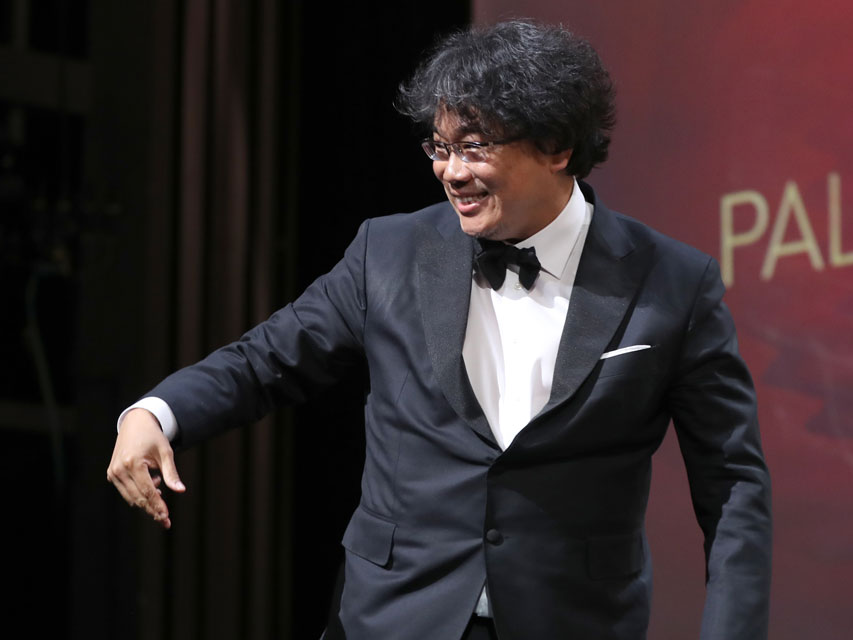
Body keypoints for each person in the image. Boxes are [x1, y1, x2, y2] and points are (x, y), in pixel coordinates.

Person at [107, 19, 771, 640]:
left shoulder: (673, 282)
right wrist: (154, 413)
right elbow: (267, 360)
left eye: (474, 147)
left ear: (557, 147)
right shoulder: (388, 252)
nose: (451, 172)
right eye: (440, 146)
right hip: (391, 618)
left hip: (573, 620)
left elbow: (733, 484)